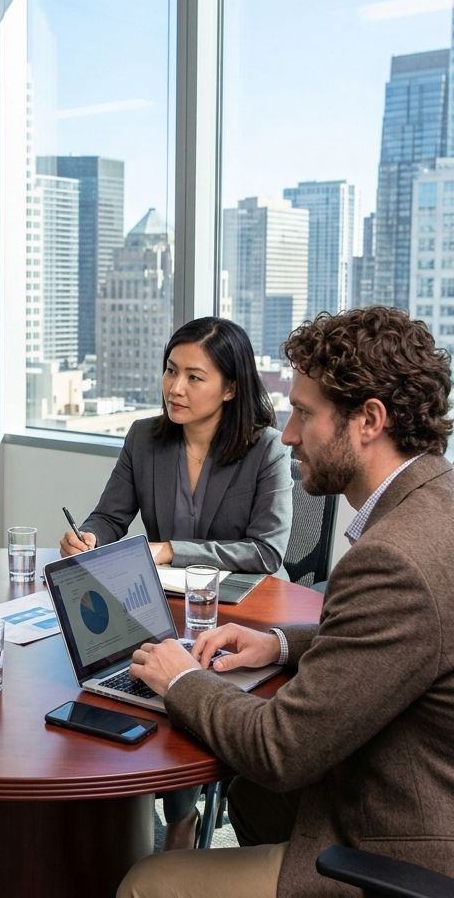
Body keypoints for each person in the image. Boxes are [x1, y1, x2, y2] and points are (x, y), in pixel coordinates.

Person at [118, 306, 454, 898]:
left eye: (303, 412)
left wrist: (181, 681)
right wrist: (279, 641)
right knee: (252, 799)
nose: (290, 432)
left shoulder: (393, 560)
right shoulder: (436, 500)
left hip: (402, 840)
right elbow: (404, 642)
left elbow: (279, 750)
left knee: (147, 881)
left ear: (369, 420)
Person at [59, 316, 292, 850]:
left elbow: (266, 550)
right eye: (170, 372)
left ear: (231, 387)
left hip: (244, 614)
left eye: (194, 377)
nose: (175, 388)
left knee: (198, 687)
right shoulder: (145, 437)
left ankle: (184, 815)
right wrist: (88, 539)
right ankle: (156, 808)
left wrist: (169, 548)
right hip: (162, 607)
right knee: (127, 683)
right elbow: (109, 518)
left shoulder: (266, 449)